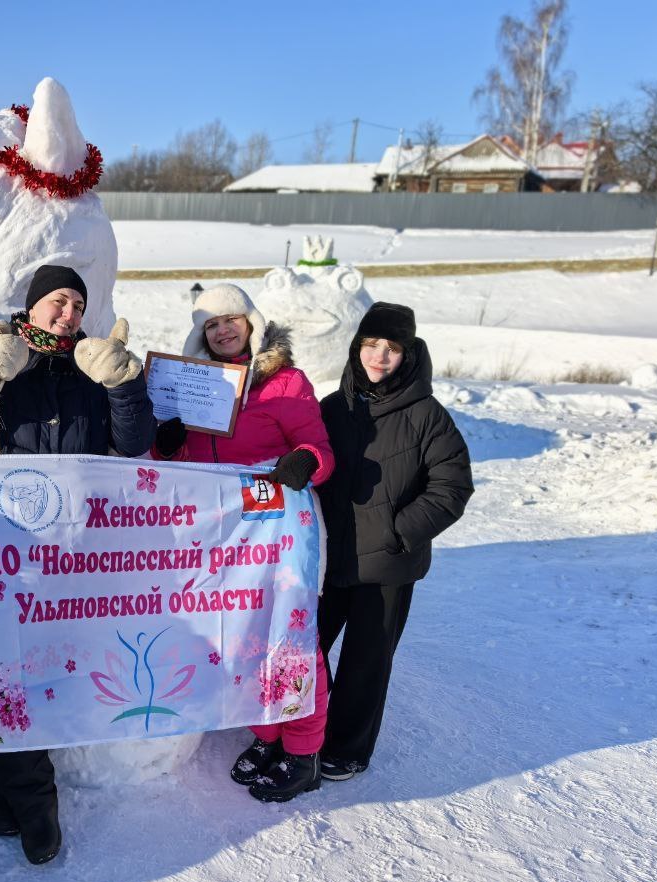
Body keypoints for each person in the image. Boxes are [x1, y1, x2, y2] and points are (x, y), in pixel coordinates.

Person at [0, 264, 156, 863]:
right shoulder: (2, 359)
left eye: (78, 305)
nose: (68, 314)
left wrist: (123, 382)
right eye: (58, 301)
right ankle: (37, 804)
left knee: (51, 674)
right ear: (32, 307)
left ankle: (10, 792)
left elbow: (135, 446)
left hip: (76, 559)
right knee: (4, 674)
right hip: (5, 551)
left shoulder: (91, 367)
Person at [152, 283, 335, 802]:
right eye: (211, 324)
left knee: (291, 637)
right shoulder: (192, 385)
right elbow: (174, 466)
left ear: (251, 322)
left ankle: (304, 752)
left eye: (231, 319)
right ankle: (268, 733)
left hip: (278, 529)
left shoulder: (283, 381)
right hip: (221, 535)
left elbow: (319, 449)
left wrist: (306, 462)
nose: (223, 330)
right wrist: (165, 445)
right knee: (242, 634)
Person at [316, 302, 473, 780]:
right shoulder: (332, 407)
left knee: (366, 662)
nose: (380, 356)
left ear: (408, 354)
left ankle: (346, 749)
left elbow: (452, 487)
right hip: (327, 557)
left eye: (392, 347)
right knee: (306, 648)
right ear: (357, 346)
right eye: (371, 344)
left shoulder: (428, 416)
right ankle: (296, 732)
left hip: (386, 565)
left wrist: (397, 532)